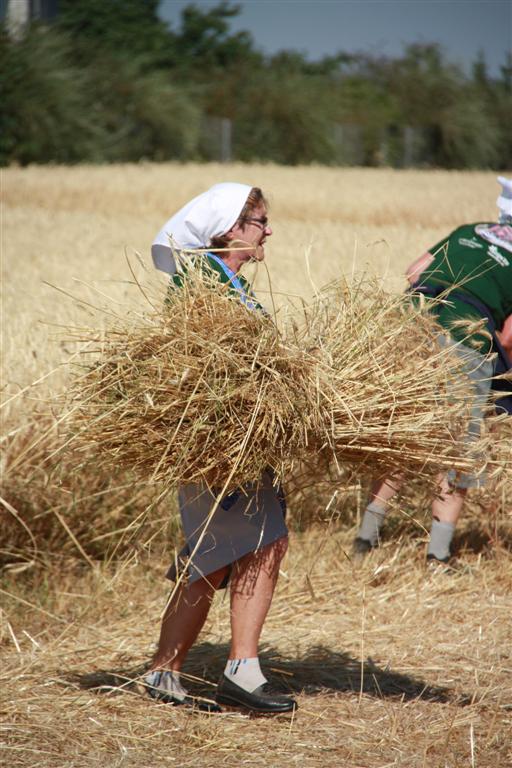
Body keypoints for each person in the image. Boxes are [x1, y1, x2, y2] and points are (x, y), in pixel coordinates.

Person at [145, 183, 297, 714]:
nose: (267, 230)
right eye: (259, 221)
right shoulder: (205, 283)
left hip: (235, 443)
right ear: (231, 228)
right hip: (220, 447)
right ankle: (242, 671)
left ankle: (165, 673)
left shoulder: (223, 280)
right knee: (261, 543)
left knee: (212, 556)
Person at [353, 176, 512, 569]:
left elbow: (413, 272)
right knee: (457, 449)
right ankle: (437, 556)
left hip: (412, 326)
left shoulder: (468, 231)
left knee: (405, 433)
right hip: (465, 334)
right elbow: (509, 339)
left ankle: (365, 538)